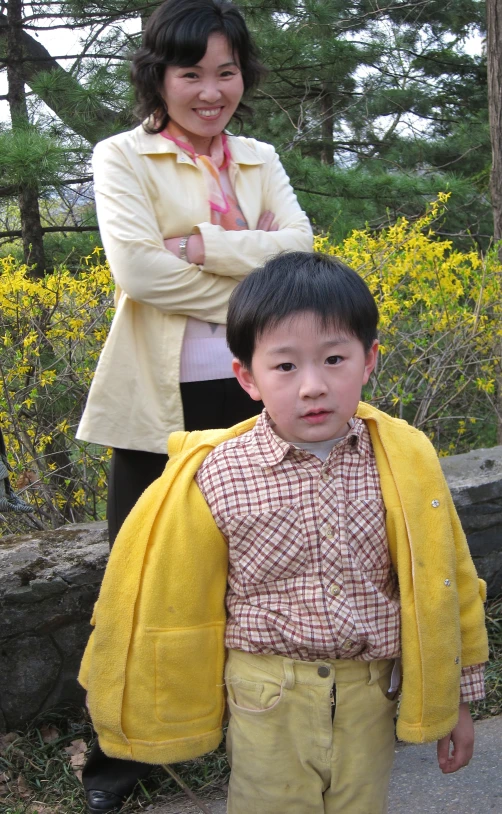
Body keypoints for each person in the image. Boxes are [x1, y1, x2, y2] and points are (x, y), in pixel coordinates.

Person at [80, 252, 488, 814]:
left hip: (371, 694)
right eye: (286, 366)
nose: (314, 386)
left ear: (369, 361)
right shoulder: (217, 474)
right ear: (247, 376)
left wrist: (458, 701)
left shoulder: (403, 462)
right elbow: (171, 598)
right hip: (265, 695)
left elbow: (451, 583)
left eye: (335, 358)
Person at [76, 0, 312, 809]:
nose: (212, 91)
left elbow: (302, 245)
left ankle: (241, 732)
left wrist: (203, 246)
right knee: (140, 581)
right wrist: (256, 288)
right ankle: (116, 762)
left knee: (256, 572)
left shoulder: (259, 156)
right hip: (161, 402)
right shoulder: (123, 156)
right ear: (159, 77)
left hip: (261, 394)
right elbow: (139, 274)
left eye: (226, 72)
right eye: (192, 74)